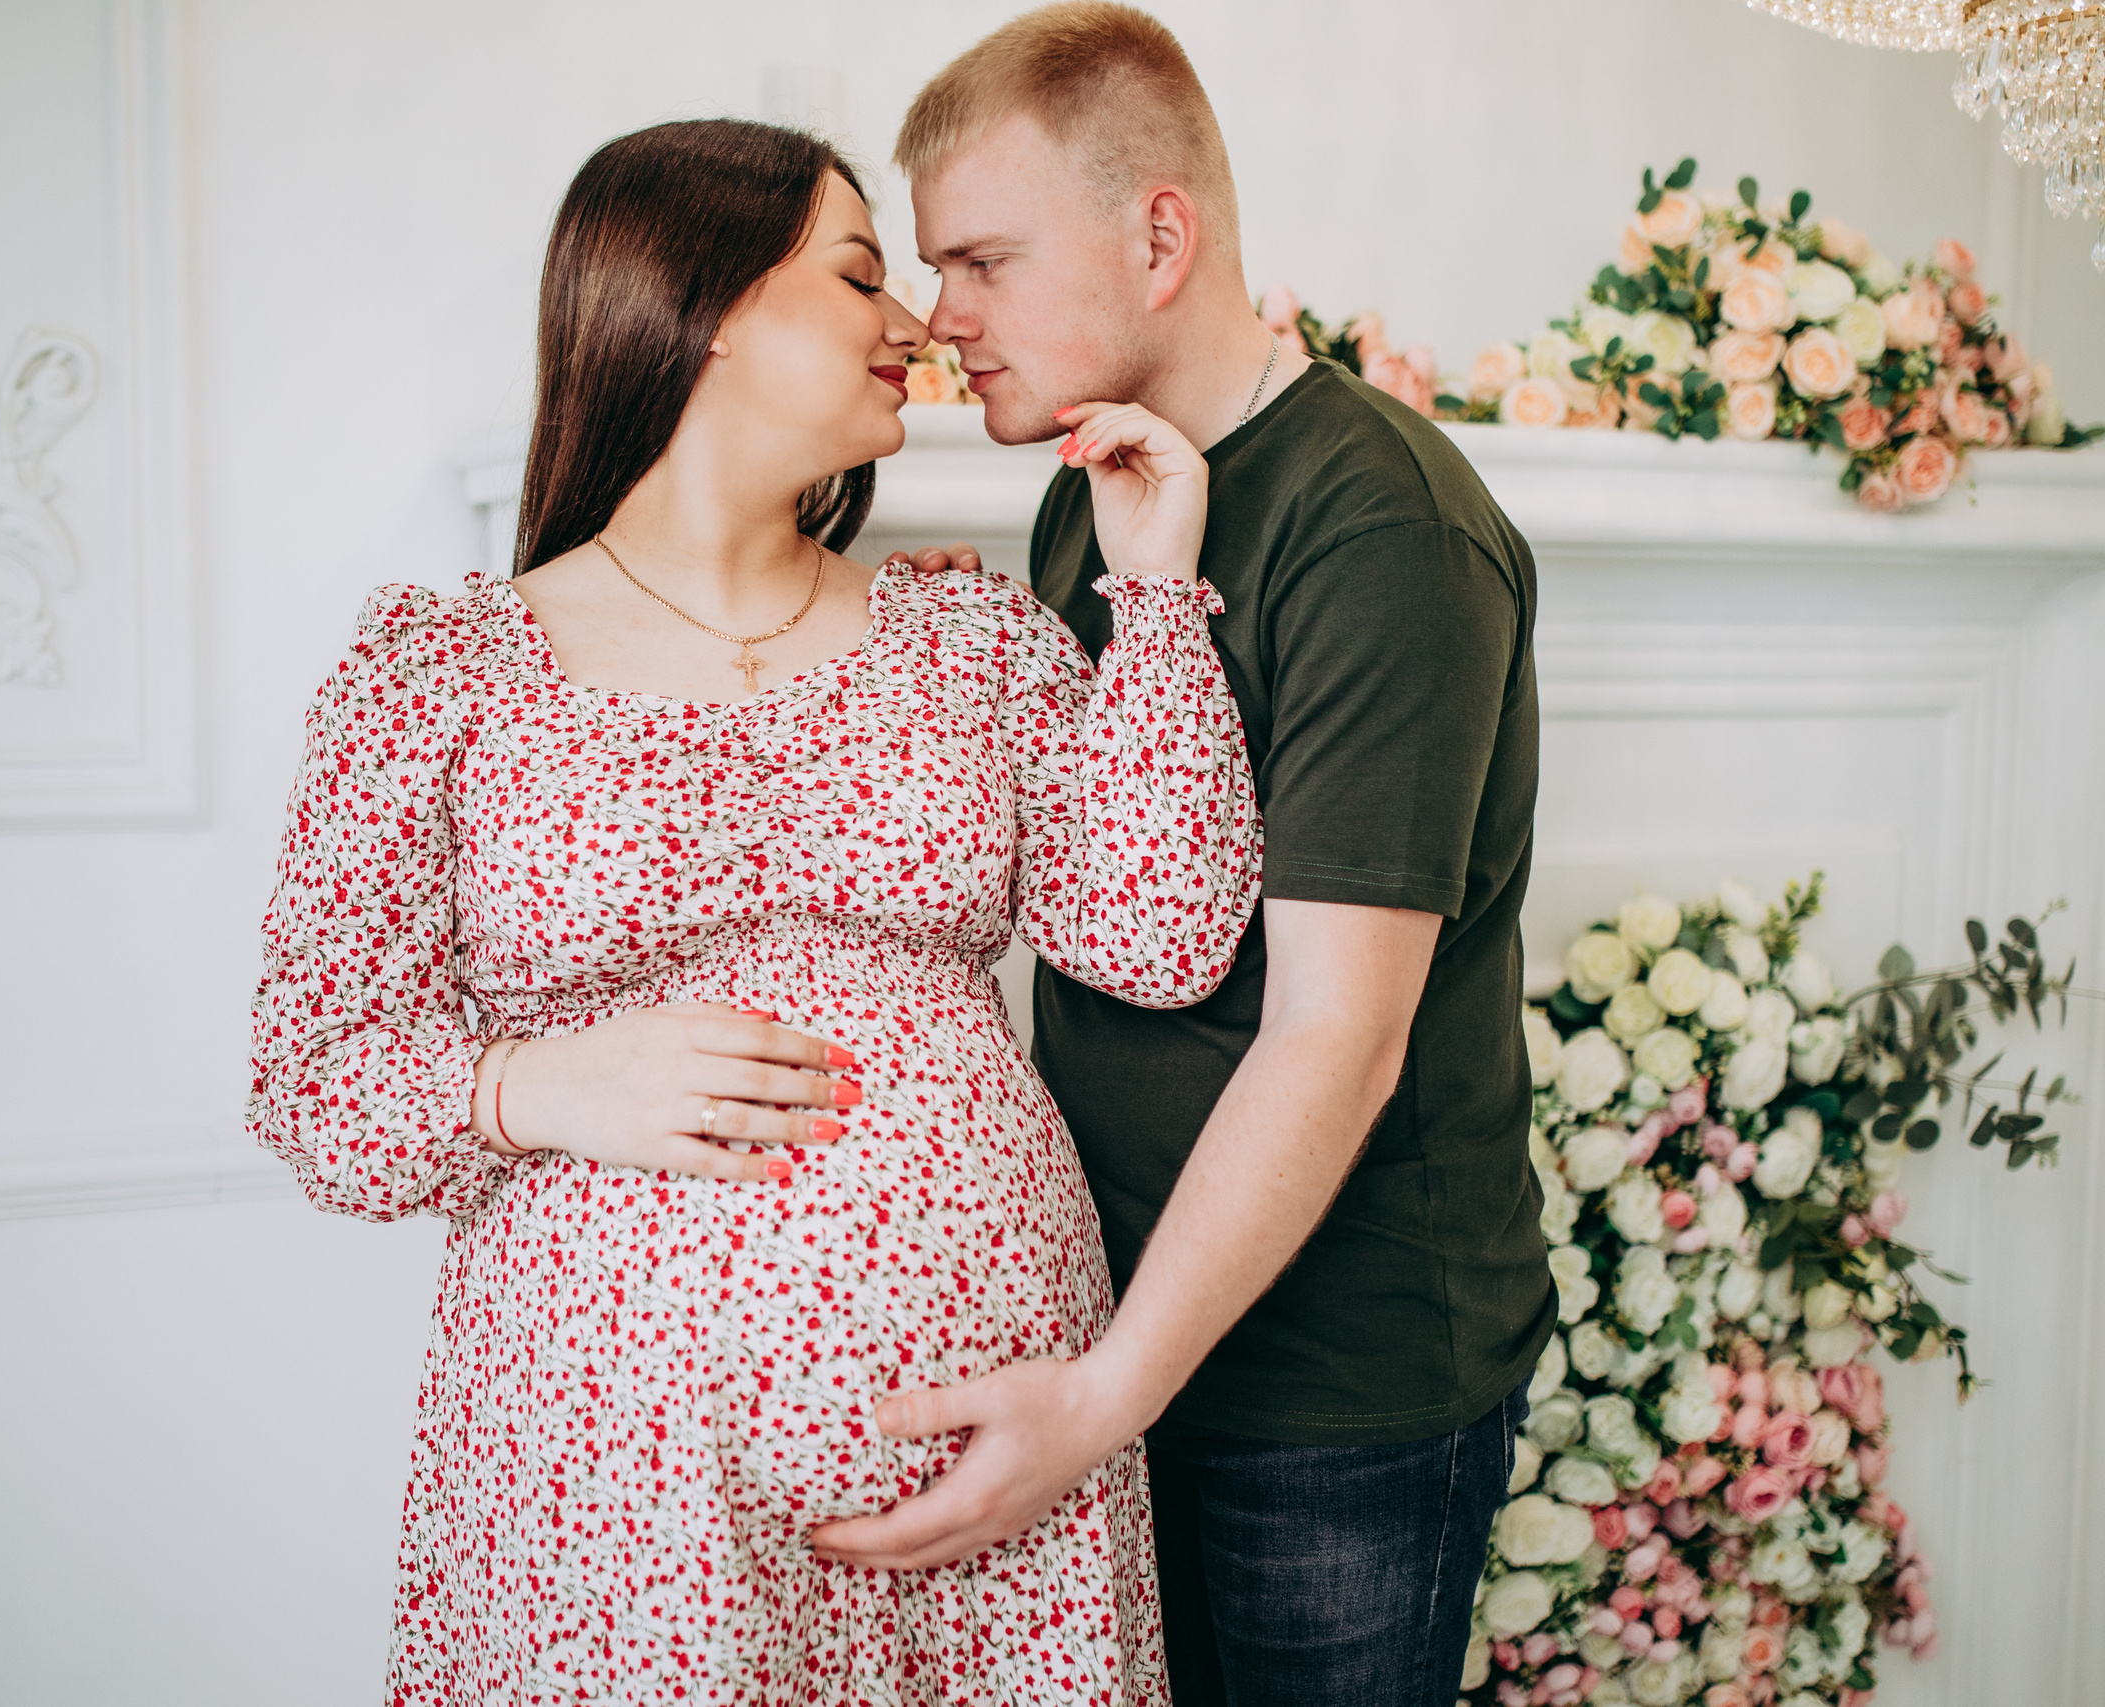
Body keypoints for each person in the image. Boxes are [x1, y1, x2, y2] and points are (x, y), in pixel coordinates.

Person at [247, 116, 1261, 1705]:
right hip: (618, 1493)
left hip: (989, 1459)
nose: (919, 323)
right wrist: (536, 1081)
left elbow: (1158, 930)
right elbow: (317, 1089)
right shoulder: (436, 675)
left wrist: (1152, 592)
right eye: (863, 275)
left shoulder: (970, 635)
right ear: (705, 300)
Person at [808, 9, 1555, 1706]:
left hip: (1327, 1392)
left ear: (1161, 235)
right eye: (931, 270)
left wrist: (1101, 1394)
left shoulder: (1383, 529)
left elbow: (1337, 1037)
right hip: (1132, 1337)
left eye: (984, 259)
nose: (942, 318)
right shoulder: (1101, 479)